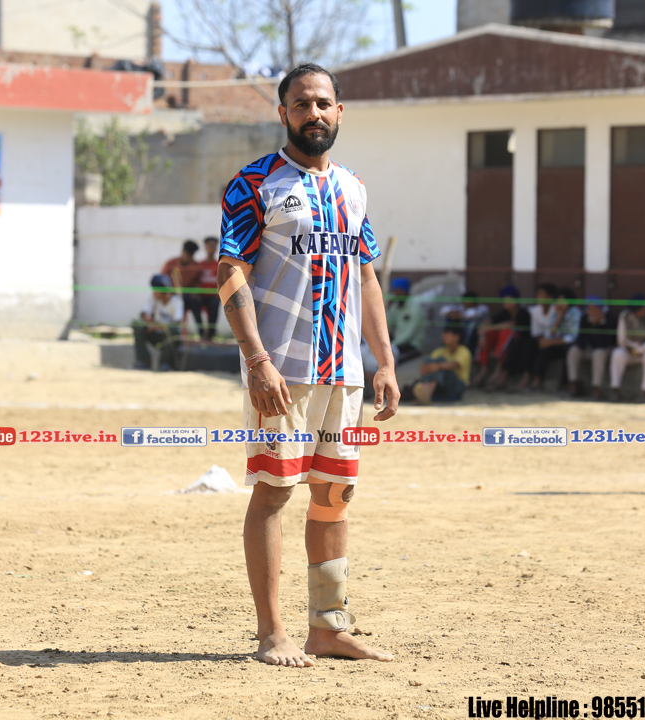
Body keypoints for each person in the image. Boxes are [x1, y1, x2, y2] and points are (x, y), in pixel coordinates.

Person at [217, 62, 397, 667]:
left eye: (323, 103)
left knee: (334, 495)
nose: (313, 113)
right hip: (282, 371)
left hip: (343, 373)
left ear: (339, 111)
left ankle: (329, 628)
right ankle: (272, 633)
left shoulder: (353, 187)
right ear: (283, 113)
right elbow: (230, 272)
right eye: (301, 104)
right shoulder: (254, 183)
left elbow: (365, 276)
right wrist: (257, 360)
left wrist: (384, 362)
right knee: (274, 492)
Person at [513, 287, 581, 393]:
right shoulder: (557, 312)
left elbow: (573, 337)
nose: (560, 303)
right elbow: (549, 333)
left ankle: (566, 385)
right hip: (557, 344)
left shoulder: (575, 313)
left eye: (563, 300)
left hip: (570, 345)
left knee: (566, 349)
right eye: (558, 300)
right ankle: (535, 381)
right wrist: (559, 316)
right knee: (541, 347)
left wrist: (550, 342)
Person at [609, 293, 645, 402]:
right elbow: (621, 339)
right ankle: (615, 390)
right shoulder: (624, 316)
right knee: (617, 353)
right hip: (629, 350)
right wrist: (630, 348)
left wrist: (639, 350)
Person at [565, 296, 618, 399]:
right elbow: (580, 340)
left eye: (595, 309)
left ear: (600, 309)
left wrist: (596, 325)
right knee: (573, 351)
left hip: (606, 349)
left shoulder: (610, 320)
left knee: (598, 353)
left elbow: (604, 343)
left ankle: (596, 389)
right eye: (589, 309)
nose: (592, 312)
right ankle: (573, 385)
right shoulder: (585, 318)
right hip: (590, 348)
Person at [132, 274, 183, 371]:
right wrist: (146, 318)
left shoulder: (176, 302)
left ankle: (165, 363)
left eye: (156, 290)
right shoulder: (154, 298)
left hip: (169, 338)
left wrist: (155, 326)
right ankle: (144, 360)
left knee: (172, 331)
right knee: (137, 324)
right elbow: (143, 312)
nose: (154, 293)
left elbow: (176, 323)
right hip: (155, 333)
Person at [475, 285, 522, 389]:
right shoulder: (504, 313)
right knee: (488, 334)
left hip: (517, 344)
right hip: (501, 343)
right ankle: (484, 367)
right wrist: (482, 336)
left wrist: (491, 328)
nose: (505, 302)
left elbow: (511, 324)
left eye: (508, 299)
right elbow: (486, 323)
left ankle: (498, 369)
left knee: (506, 333)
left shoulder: (522, 313)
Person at [412, 326, 472, 404]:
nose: (444, 336)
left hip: (457, 386)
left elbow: (454, 365)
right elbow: (425, 368)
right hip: (441, 385)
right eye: (444, 334)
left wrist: (438, 366)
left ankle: (427, 393)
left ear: (457, 337)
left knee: (440, 362)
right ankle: (426, 393)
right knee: (430, 362)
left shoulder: (464, 351)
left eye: (447, 334)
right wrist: (428, 367)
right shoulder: (439, 351)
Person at [162, 239, 204, 333]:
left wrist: (195, 292)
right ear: (183, 252)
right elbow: (162, 280)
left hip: (187, 296)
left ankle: (201, 332)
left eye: (191, 255)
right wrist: (168, 292)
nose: (189, 257)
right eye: (188, 254)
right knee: (176, 305)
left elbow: (197, 283)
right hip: (172, 296)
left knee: (196, 302)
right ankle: (173, 332)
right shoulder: (171, 264)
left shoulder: (195, 266)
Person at [385, 276, 425, 362]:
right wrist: (389, 308)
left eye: (400, 291)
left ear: (406, 291)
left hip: (411, 345)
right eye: (395, 291)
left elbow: (409, 333)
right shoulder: (395, 307)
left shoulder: (415, 308)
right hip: (396, 342)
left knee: (389, 359)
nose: (397, 293)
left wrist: (392, 345)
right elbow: (387, 325)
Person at [198, 236, 221, 340]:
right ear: (205, 247)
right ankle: (201, 332)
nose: (211, 248)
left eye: (213, 246)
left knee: (214, 303)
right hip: (200, 296)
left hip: (213, 297)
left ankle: (210, 334)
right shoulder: (199, 265)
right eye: (209, 246)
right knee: (193, 303)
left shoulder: (219, 265)